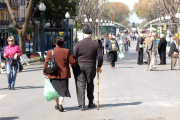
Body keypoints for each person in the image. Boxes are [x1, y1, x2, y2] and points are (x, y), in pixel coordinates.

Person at [43, 37, 77, 112]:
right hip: (64, 74)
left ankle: (57, 104)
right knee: (63, 90)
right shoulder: (67, 51)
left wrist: (45, 72)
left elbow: (46, 62)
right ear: (63, 43)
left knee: (55, 90)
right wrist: (75, 65)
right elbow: (73, 62)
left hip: (53, 74)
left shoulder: (50, 52)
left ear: (55, 43)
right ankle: (61, 104)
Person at [73, 28, 103, 111]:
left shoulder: (78, 44)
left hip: (80, 66)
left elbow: (74, 56)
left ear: (83, 35)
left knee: (81, 85)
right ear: (91, 35)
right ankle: (90, 102)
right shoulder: (95, 44)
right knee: (90, 83)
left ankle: (81, 105)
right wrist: (99, 66)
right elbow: (100, 57)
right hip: (91, 66)